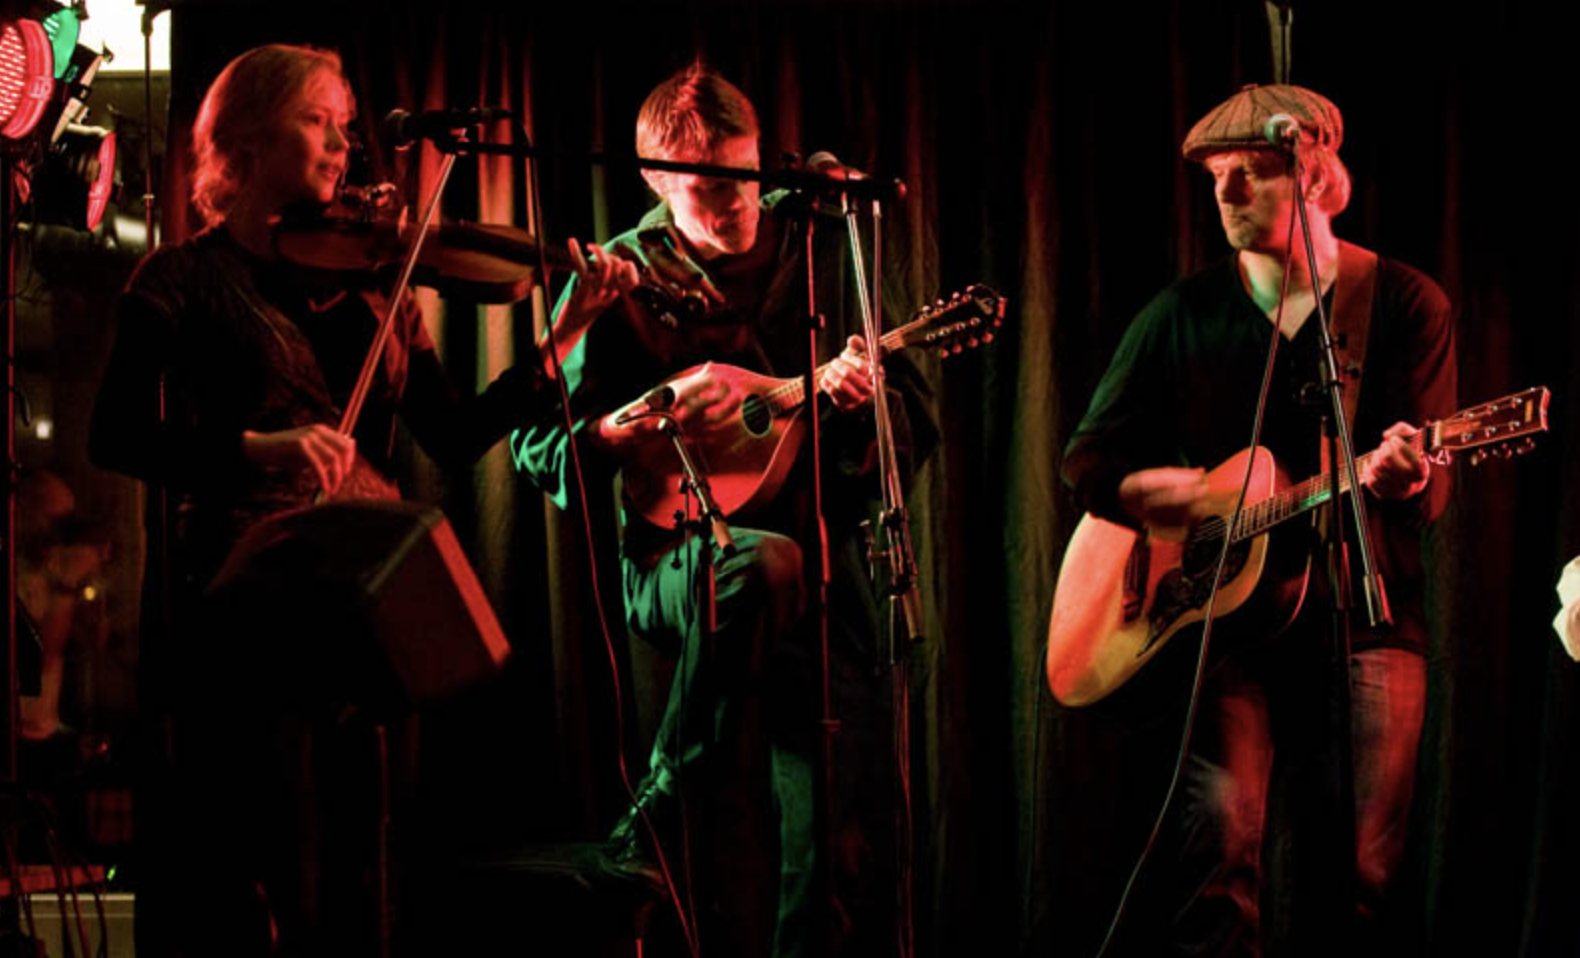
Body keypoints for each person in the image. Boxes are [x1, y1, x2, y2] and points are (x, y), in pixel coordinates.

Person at [88, 43, 635, 957]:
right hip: (244, 590)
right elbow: (116, 437)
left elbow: (453, 438)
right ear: (246, 138)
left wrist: (565, 331)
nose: (343, 148)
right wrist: (254, 447)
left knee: (368, 846)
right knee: (280, 851)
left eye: (346, 128)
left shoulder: (377, 283)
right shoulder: (178, 280)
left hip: (368, 591)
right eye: (318, 122)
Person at [511, 62, 936, 956]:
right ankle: (656, 815)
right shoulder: (619, 279)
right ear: (657, 181)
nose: (738, 207)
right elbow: (537, 445)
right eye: (709, 191)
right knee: (758, 562)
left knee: (840, 851)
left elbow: (918, 420)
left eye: (746, 180)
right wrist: (635, 427)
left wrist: (865, 407)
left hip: (829, 569)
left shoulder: (822, 247)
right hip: (680, 561)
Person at [1060, 84, 1456, 956]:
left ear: (1315, 176)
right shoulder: (1181, 313)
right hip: (1225, 635)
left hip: (1367, 622)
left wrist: (1400, 474)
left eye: (1254, 172)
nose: (1228, 193)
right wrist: (1143, 496)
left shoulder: (1400, 302)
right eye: (1217, 177)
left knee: (1360, 873)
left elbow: (1428, 496)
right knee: (1216, 852)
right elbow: (1086, 459)